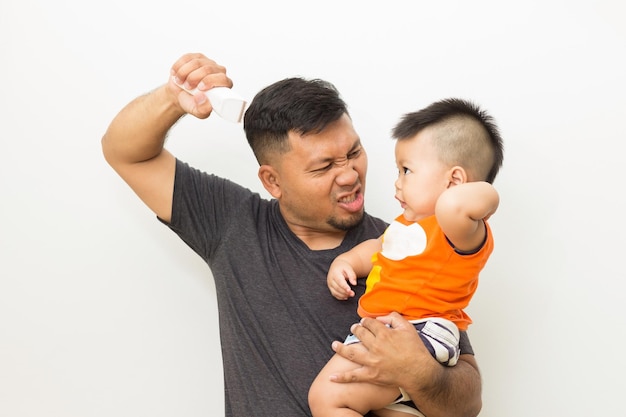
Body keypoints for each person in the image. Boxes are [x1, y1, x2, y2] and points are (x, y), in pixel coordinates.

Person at [101, 52, 483, 417]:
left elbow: (467, 403)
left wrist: (419, 372)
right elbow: (125, 152)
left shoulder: (406, 243)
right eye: (324, 167)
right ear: (273, 180)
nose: (349, 174)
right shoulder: (231, 223)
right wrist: (173, 97)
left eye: (353, 153)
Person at [308, 98, 504, 417]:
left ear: (454, 182)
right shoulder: (406, 227)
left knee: (327, 397)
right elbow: (377, 249)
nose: (397, 183)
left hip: (419, 332)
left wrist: (484, 194)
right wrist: (345, 263)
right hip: (400, 332)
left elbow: (457, 205)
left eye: (407, 170)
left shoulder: (456, 228)